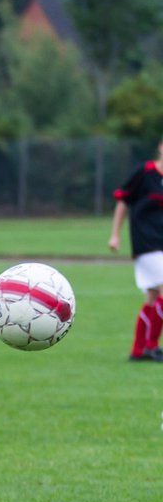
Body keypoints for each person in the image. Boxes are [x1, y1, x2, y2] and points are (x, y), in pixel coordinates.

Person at [109, 139, 163, 362]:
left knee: (151, 297)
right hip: (147, 244)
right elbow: (123, 200)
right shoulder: (145, 171)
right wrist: (115, 234)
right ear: (160, 146)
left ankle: (138, 350)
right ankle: (152, 345)